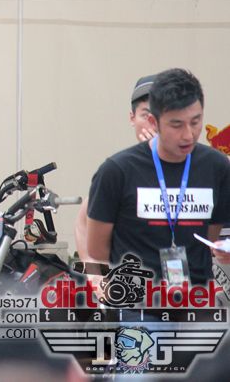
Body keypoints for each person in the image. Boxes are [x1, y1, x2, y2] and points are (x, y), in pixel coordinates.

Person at [87, 69, 230, 284]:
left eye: (195, 122)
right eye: (176, 125)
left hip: (197, 295)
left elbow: (210, 236)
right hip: (137, 297)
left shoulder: (216, 167)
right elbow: (97, 251)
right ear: (153, 122)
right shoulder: (117, 170)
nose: (188, 135)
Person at [74, 74, 157, 259]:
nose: (153, 124)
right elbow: (83, 222)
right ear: (132, 118)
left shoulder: (198, 164)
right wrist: (94, 270)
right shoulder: (119, 169)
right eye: (145, 115)